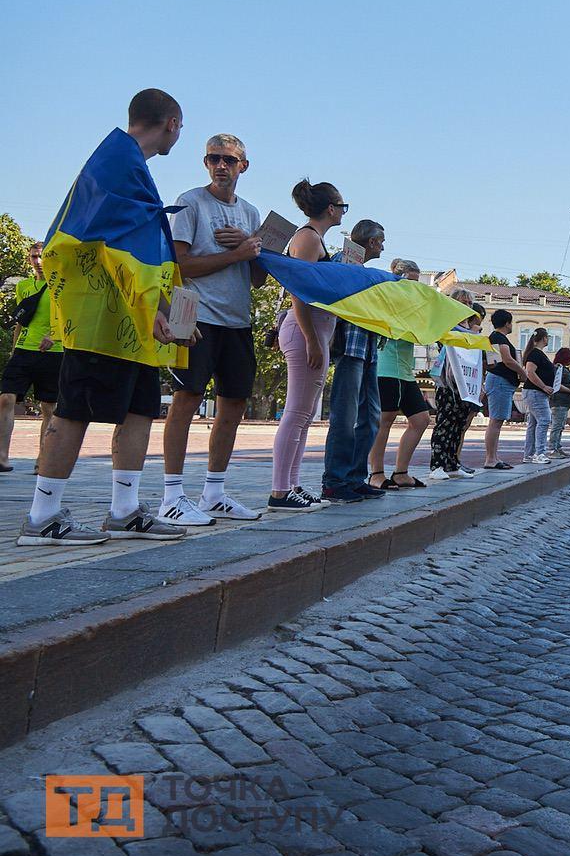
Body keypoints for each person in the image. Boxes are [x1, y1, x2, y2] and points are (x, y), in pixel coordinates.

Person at [20, 90, 193, 545]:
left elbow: (136, 246)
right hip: (102, 316)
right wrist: (158, 308)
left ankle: (125, 509)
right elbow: (117, 247)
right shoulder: (120, 162)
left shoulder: (124, 162)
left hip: (130, 319)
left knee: (139, 408)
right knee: (74, 409)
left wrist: (169, 311)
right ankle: (42, 516)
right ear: (172, 123)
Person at [159, 133, 266, 525]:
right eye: (213, 159)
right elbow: (180, 265)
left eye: (229, 160)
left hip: (238, 319)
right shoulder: (190, 202)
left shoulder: (251, 213)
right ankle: (172, 495)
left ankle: (214, 492)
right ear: (205, 163)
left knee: (234, 404)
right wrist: (236, 253)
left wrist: (254, 248)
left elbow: (257, 279)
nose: (221, 166)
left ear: (243, 166)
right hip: (195, 316)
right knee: (185, 400)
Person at [268, 180, 345, 511]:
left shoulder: (313, 239)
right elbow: (299, 291)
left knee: (303, 415)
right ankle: (279, 490)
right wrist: (313, 339)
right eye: (342, 206)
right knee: (296, 413)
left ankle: (292, 484)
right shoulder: (308, 238)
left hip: (314, 332)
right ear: (330, 208)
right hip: (306, 333)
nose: (343, 212)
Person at [320, 219, 387, 503]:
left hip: (369, 349)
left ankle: (355, 477)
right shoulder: (341, 261)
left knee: (371, 417)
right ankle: (335, 481)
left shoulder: (368, 272)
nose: (383, 246)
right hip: (350, 348)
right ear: (371, 242)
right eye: (381, 240)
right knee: (345, 418)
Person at [0, 242, 63, 473]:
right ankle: (2, 457)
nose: (38, 261)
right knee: (6, 397)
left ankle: (43, 460)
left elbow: (70, 319)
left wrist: (53, 336)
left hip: (53, 352)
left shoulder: (61, 285)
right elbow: (21, 320)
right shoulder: (24, 286)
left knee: (48, 406)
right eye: (34, 257)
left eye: (42, 256)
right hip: (24, 350)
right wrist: (14, 349)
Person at [369, 258, 430, 489]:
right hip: (386, 367)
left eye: (416, 281)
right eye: (409, 280)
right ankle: (376, 473)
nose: (412, 285)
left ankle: (401, 472)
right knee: (385, 420)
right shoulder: (388, 298)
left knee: (421, 420)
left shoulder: (413, 304)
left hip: (404, 370)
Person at [429, 304, 485, 479]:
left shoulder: (468, 330)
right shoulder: (446, 326)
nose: (466, 307)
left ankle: (452, 464)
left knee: (458, 424)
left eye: (468, 303)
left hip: (463, 384)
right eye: (463, 302)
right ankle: (437, 465)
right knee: (445, 424)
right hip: (448, 383)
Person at [481, 309, 519, 469]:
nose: (512, 325)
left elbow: (494, 362)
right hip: (499, 382)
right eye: (511, 322)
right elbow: (507, 359)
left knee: (496, 421)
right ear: (507, 323)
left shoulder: (494, 338)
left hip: (498, 380)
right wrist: (522, 373)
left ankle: (493, 457)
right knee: (496, 421)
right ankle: (490, 459)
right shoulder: (499, 337)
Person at [518, 328, 554, 465]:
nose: (548, 339)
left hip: (535, 392)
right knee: (544, 420)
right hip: (535, 392)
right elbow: (530, 372)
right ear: (544, 338)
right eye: (548, 337)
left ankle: (529, 454)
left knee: (533, 424)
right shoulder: (535, 354)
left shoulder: (538, 354)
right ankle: (540, 453)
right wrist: (544, 386)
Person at [548, 347, 570, 459]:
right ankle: (553, 449)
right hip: (559, 401)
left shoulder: (565, 368)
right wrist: (569, 390)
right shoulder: (558, 368)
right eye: (569, 357)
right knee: (557, 426)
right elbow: (556, 384)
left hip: (565, 402)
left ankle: (558, 447)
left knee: (560, 426)